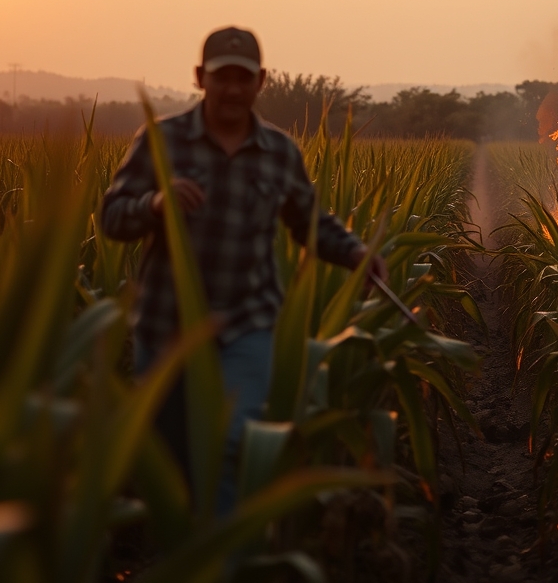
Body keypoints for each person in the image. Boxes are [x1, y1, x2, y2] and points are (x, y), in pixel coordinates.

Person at [100, 26, 386, 514]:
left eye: (243, 78)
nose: (233, 88)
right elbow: (111, 216)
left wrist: (355, 254)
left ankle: (228, 566)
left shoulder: (279, 152)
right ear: (200, 78)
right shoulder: (160, 141)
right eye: (222, 77)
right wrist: (154, 204)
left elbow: (310, 223)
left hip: (247, 326)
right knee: (170, 469)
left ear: (262, 81)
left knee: (233, 445)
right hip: (168, 329)